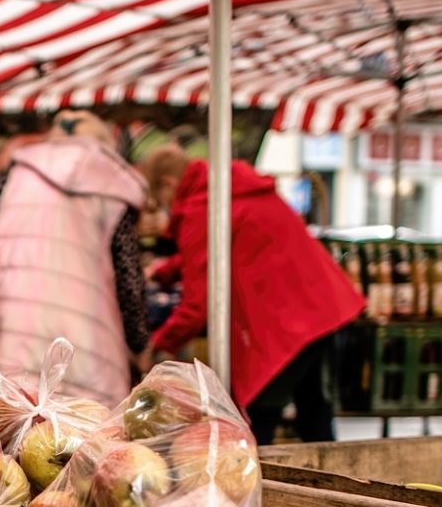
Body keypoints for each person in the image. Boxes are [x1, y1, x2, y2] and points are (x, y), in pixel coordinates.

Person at [0, 111, 149, 430]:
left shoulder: (13, 176)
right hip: (85, 339)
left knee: (2, 445)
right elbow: (129, 279)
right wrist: (139, 341)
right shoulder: (114, 188)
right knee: (76, 449)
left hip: (6, 327)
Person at [142, 147, 363, 444]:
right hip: (324, 308)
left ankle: (259, 488)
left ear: (169, 184)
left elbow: (197, 306)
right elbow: (217, 247)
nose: (163, 209)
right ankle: (330, 484)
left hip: (288, 324)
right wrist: (165, 270)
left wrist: (158, 346)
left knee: (259, 420)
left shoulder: (201, 207)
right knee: (315, 416)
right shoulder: (231, 188)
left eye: (159, 201)